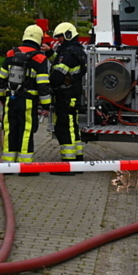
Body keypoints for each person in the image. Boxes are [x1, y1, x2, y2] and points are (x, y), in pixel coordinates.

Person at [0, 25, 52, 173]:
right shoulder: (40, 58)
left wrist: (2, 97)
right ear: (39, 39)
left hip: (10, 99)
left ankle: (8, 165)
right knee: (26, 130)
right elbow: (43, 84)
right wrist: (46, 105)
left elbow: (2, 78)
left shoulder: (10, 54)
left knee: (9, 129)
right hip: (28, 100)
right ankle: (25, 166)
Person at [48, 23, 87, 175]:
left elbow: (58, 75)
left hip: (65, 95)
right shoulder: (77, 51)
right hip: (73, 93)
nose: (58, 40)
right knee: (72, 125)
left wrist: (48, 86)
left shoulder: (68, 53)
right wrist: (51, 53)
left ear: (68, 35)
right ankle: (77, 160)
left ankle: (68, 165)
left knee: (65, 126)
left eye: (60, 37)